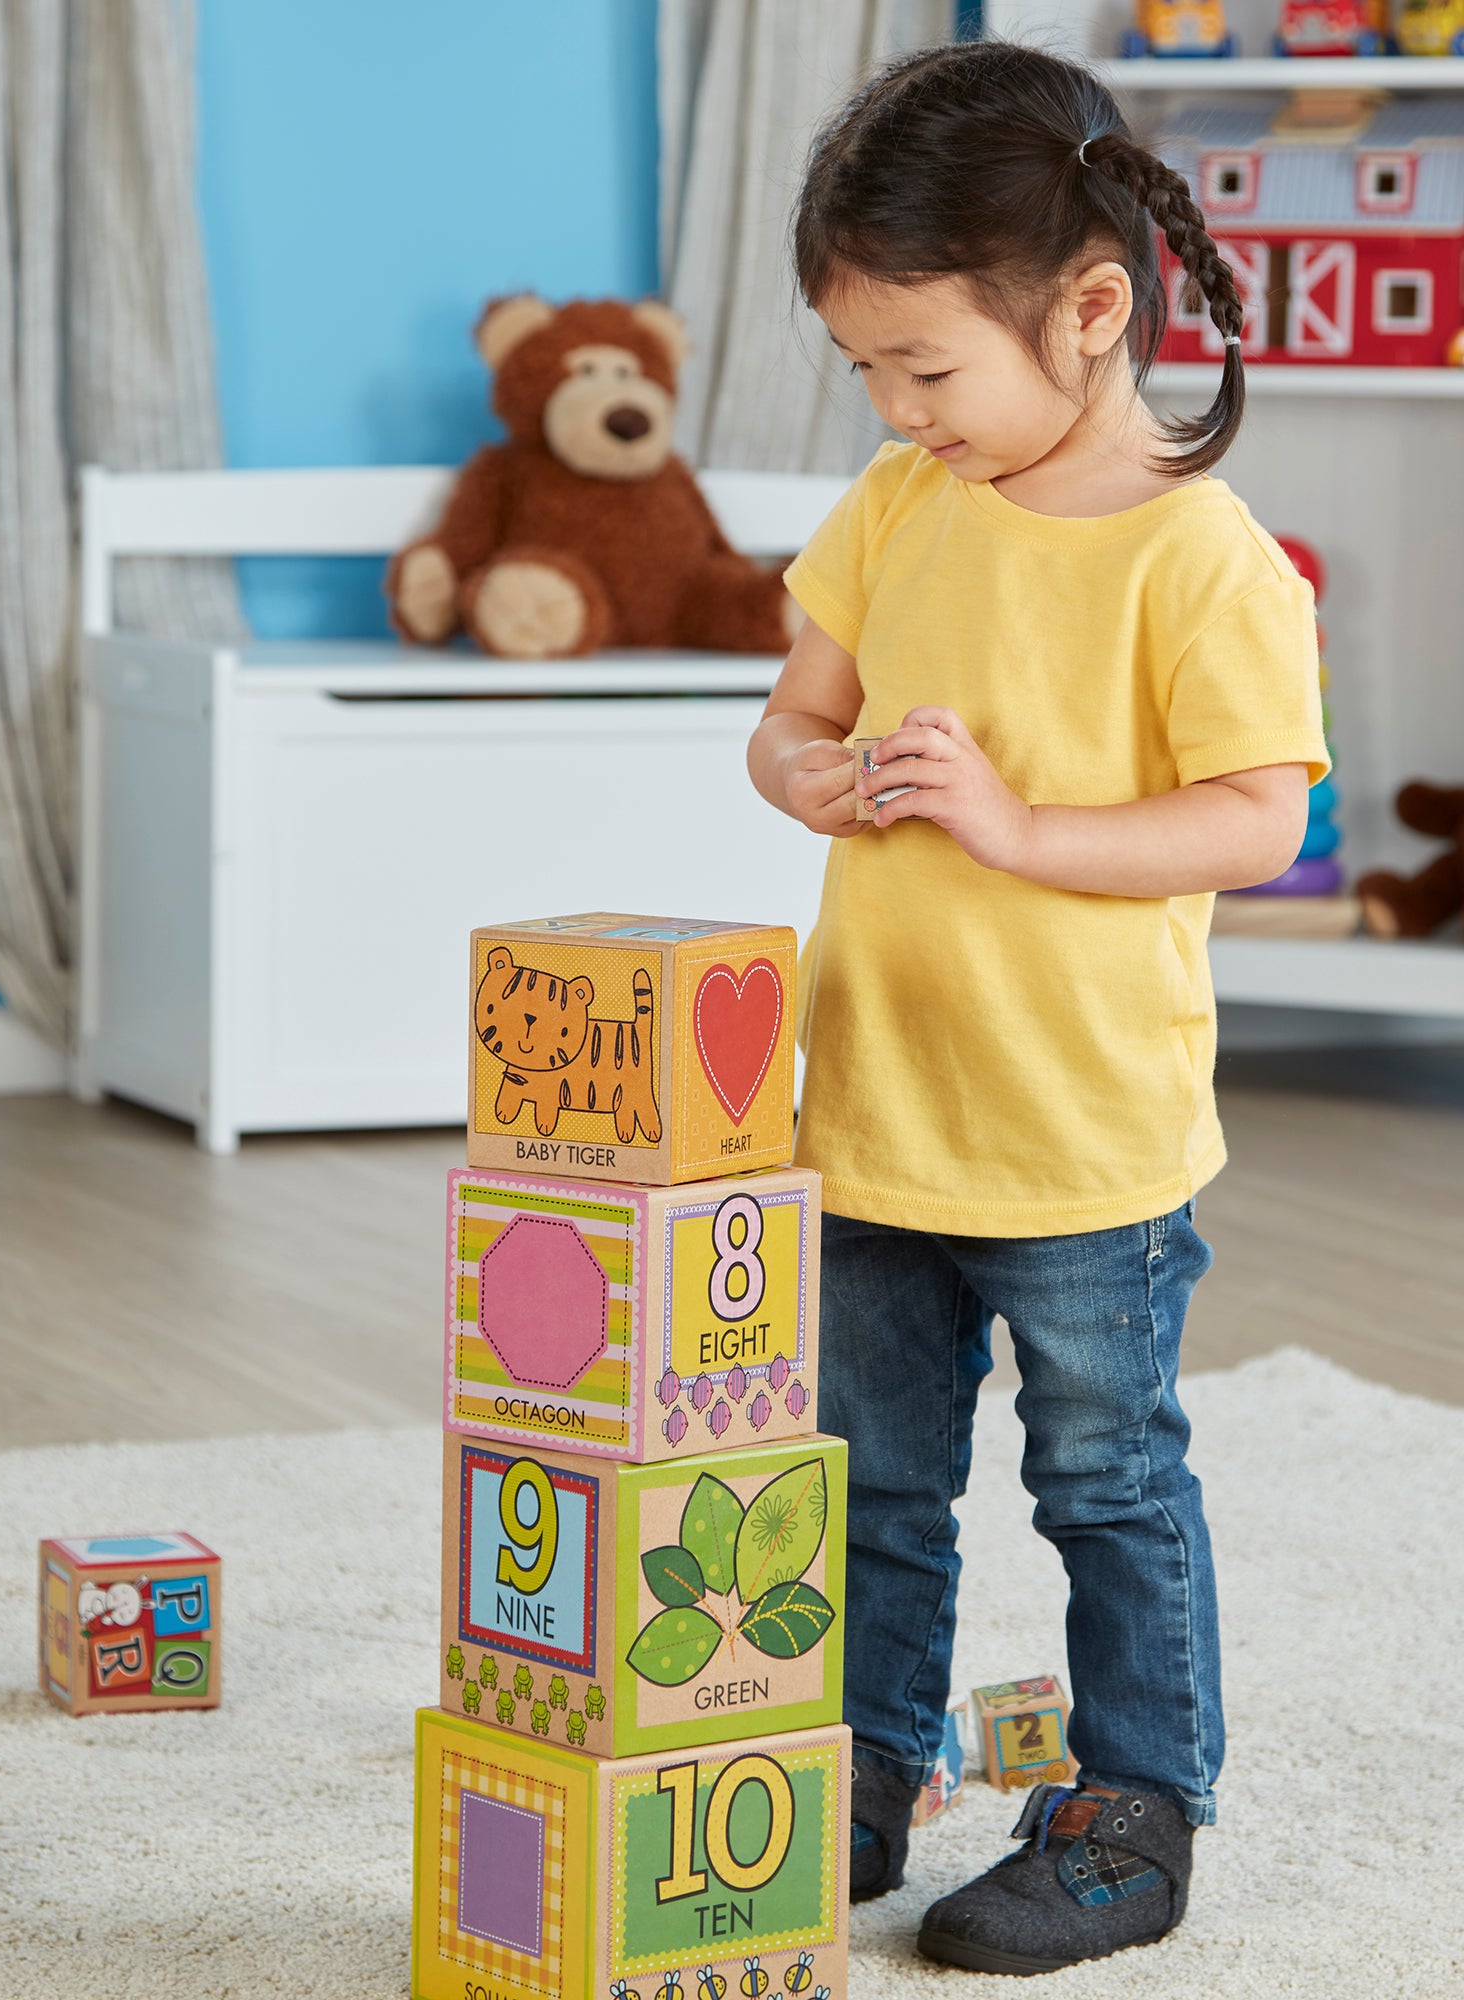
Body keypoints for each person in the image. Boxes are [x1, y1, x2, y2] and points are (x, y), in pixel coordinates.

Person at [747, 39, 1327, 1977]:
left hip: (1080, 1141)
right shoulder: (904, 505)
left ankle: (1132, 1809)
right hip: (875, 1111)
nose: (901, 411)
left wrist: (1012, 822)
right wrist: (800, 770)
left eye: (929, 368)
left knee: (1104, 1480)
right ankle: (857, 1771)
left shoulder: (1200, 554)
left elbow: (1255, 819)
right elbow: (789, 719)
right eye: (869, 375)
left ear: (1091, 313)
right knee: (867, 1477)